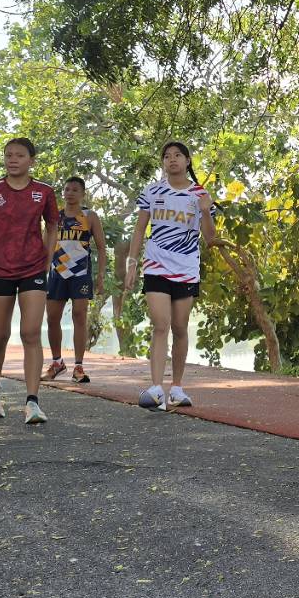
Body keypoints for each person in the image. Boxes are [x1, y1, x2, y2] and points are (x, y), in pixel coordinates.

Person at [120, 142, 215, 412]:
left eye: (177, 155)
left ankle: (177, 388)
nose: (172, 160)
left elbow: (210, 238)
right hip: (156, 266)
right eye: (167, 156)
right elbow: (139, 230)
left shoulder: (200, 194)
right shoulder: (152, 191)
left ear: (187, 161)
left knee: (180, 327)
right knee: (160, 324)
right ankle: (155, 389)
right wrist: (132, 263)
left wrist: (205, 210)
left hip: (186, 269)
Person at [0, 138, 59, 424]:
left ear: (31, 160)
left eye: (19, 155)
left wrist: (47, 258)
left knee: (31, 333)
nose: (12, 159)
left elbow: (53, 225)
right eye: (8, 155)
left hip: (32, 268)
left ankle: (32, 402)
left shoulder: (44, 192)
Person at [45, 176, 105, 383]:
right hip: (57, 273)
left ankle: (79, 367)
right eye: (67, 189)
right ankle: (57, 362)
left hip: (80, 274)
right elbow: (45, 244)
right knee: (52, 317)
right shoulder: (55, 216)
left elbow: (102, 247)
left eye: (75, 190)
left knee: (79, 316)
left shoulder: (89, 216)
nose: (70, 193)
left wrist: (101, 275)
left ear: (83, 194)